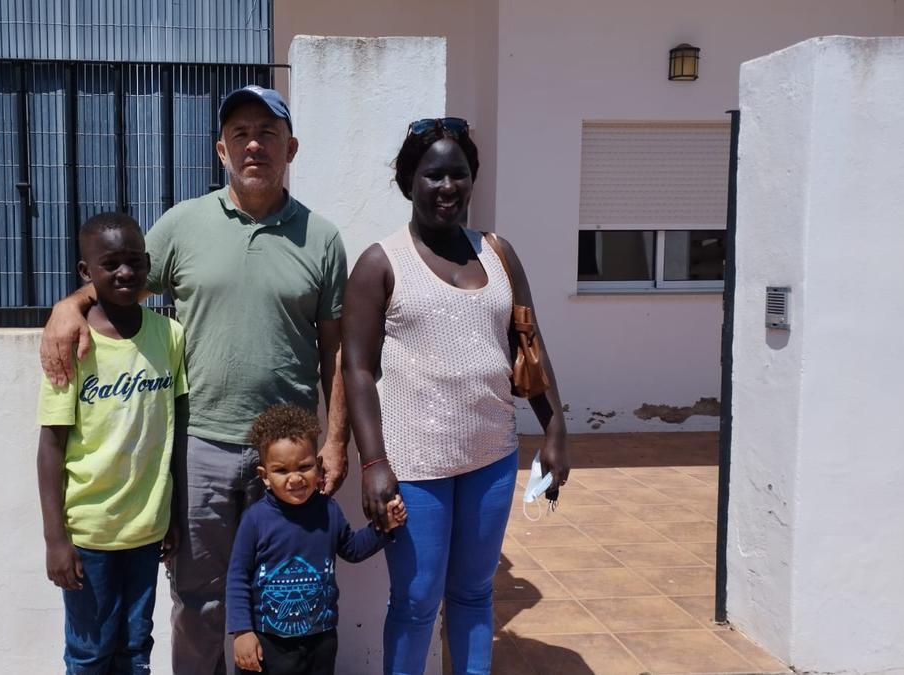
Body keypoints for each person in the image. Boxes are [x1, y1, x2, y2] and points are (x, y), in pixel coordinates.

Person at [39, 86, 350, 674]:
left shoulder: (323, 239)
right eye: (240, 134)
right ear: (221, 149)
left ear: (292, 147)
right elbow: (120, 279)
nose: (253, 144)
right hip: (199, 446)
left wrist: (336, 440)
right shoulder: (183, 225)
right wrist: (68, 306)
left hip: (284, 455)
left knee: (279, 600)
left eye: (267, 133)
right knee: (199, 600)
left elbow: (335, 351)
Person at [341, 118, 570, 674]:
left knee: (472, 594)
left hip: (490, 457)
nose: (448, 187)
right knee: (417, 602)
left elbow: (528, 345)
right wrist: (373, 462)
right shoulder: (381, 263)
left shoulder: (498, 253)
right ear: (408, 182)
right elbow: (357, 370)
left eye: (459, 175)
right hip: (415, 466)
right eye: (433, 175)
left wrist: (556, 430)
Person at [36, 212, 189, 674]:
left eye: (135, 261)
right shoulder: (71, 344)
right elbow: (50, 448)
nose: (126, 273)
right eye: (111, 264)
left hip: (146, 529)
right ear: (86, 273)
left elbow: (177, 433)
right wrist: (55, 539)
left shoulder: (169, 335)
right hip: (89, 535)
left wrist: (176, 516)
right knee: (90, 653)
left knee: (135, 648)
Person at [226, 404, 407, 675]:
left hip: (320, 640)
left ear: (319, 467)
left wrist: (384, 526)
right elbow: (238, 576)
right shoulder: (255, 520)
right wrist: (242, 632)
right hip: (267, 643)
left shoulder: (328, 511)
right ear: (264, 477)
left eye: (304, 466)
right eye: (282, 470)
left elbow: (353, 549)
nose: (295, 478)